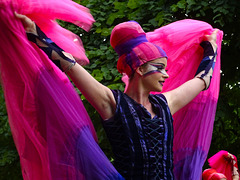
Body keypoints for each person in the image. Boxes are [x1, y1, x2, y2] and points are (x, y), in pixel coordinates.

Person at [15, 12, 218, 179]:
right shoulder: (112, 103)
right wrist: (35, 32)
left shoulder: (166, 103)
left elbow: (202, 81)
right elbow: (70, 65)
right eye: (160, 68)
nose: (166, 74)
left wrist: (211, 48)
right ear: (139, 68)